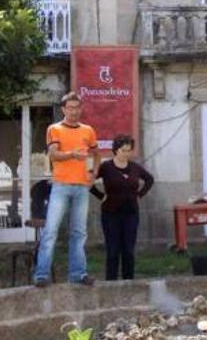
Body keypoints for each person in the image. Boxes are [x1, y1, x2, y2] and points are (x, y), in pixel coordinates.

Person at [33, 91, 101, 287]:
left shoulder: (88, 130)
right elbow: (53, 155)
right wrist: (72, 154)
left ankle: (78, 274)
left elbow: (96, 153)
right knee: (51, 231)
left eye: (77, 108)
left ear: (81, 109)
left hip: (81, 186)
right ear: (63, 109)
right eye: (70, 108)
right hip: (61, 185)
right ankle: (41, 274)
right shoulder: (54, 128)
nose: (74, 111)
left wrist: (93, 174)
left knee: (79, 232)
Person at [90, 134, 154, 280]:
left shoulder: (135, 167)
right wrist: (100, 196)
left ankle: (128, 282)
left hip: (131, 214)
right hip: (110, 214)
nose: (126, 154)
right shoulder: (106, 167)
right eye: (123, 150)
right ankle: (110, 283)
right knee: (113, 250)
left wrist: (140, 194)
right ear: (115, 150)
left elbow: (150, 180)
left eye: (129, 150)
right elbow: (89, 181)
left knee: (128, 251)